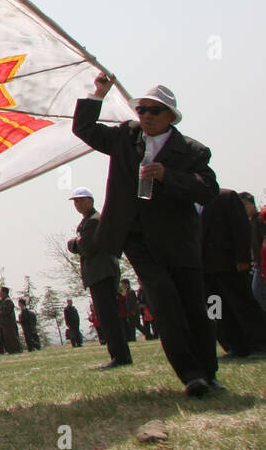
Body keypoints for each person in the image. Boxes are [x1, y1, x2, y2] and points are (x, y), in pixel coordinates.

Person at [73, 76, 221, 395]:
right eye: (142, 110)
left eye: (155, 111)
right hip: (138, 240)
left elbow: (208, 190)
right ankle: (191, 375)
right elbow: (84, 130)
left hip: (179, 239)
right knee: (165, 304)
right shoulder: (126, 136)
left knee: (193, 306)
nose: (147, 116)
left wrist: (170, 176)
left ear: (171, 116)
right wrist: (97, 94)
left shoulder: (193, 152)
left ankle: (209, 371)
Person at [66, 186, 130, 367]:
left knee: (109, 317)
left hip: (102, 273)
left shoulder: (94, 221)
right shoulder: (88, 222)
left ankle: (120, 356)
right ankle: (119, 355)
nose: (77, 204)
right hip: (99, 274)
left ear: (90, 201)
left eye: (80, 200)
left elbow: (86, 246)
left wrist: (74, 243)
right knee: (106, 317)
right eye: (75, 201)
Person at [201, 188, 266, 357]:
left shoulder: (226, 196)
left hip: (229, 264)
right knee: (217, 309)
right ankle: (233, 345)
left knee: (242, 304)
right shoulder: (182, 204)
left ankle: (260, 344)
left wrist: (243, 258)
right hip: (205, 270)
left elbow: (240, 227)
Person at [0, 288, 22, 354]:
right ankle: (10, 350)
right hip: (4, 324)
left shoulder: (8, 301)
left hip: (9, 323)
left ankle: (16, 350)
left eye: (0, 292)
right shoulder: (3, 301)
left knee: (11, 337)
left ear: (4, 292)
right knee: (7, 338)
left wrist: (0, 313)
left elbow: (7, 311)